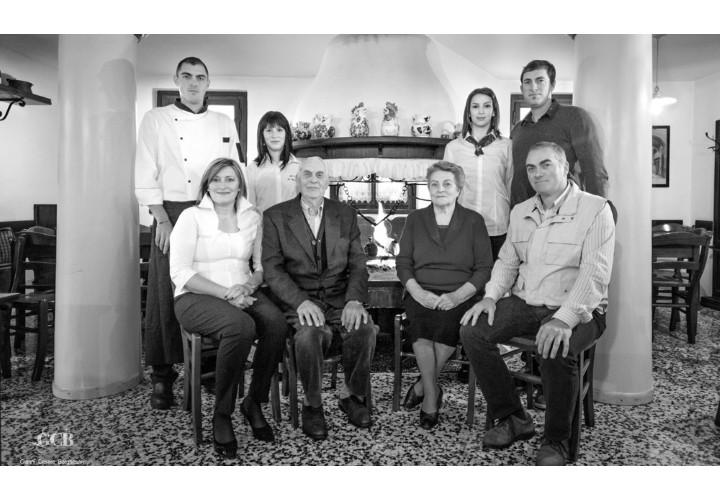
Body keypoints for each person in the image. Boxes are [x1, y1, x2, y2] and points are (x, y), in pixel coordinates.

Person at [459, 142, 615, 466]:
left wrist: (564, 319)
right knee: (473, 330)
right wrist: (490, 296)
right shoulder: (520, 211)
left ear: (565, 168)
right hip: (528, 301)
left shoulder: (596, 209)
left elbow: (594, 274)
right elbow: (507, 261)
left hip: (582, 309)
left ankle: (557, 441)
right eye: (531, 168)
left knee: (556, 346)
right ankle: (514, 417)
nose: (537, 173)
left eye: (545, 165)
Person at [135, 56, 244, 410]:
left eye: (200, 77)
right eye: (187, 76)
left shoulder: (223, 121)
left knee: (212, 284)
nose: (194, 83)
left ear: (208, 82)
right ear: (177, 80)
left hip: (212, 209)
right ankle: (163, 376)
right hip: (170, 212)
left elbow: (233, 171)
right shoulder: (155, 119)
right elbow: (145, 171)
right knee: (164, 294)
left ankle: (208, 369)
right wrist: (162, 219)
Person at [170, 158, 286, 458]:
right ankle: (222, 414)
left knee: (276, 323)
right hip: (195, 296)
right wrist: (226, 294)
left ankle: (253, 401)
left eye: (230, 179)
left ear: (239, 185)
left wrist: (246, 287)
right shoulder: (191, 217)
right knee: (241, 326)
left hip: (242, 291)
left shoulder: (252, 218)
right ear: (207, 185)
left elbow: (259, 268)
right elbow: (180, 272)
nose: (223, 185)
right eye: (216, 179)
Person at [262, 156, 376, 441]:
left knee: (364, 328)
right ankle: (312, 405)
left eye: (319, 175)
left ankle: (353, 397)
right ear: (298, 179)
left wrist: (354, 300)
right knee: (310, 334)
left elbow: (358, 264)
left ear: (328, 181)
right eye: (307, 174)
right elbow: (272, 269)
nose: (313, 180)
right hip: (299, 300)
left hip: (340, 297)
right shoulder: (276, 216)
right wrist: (300, 301)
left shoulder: (345, 214)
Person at [396, 161, 493, 429]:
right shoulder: (415, 219)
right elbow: (403, 263)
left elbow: (484, 268)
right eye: (434, 184)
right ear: (428, 188)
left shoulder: (474, 221)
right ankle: (432, 393)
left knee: (447, 326)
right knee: (420, 327)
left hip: (461, 294)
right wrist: (417, 292)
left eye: (447, 184)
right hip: (420, 292)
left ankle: (423, 389)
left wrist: (458, 297)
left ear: (458, 189)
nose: (440, 189)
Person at [510, 59, 608, 208]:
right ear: (522, 88)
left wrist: (598, 212)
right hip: (523, 215)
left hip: (566, 213)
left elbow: (594, 172)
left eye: (540, 80)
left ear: (552, 85)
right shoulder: (517, 130)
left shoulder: (574, 117)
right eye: (527, 82)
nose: (533, 87)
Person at [443, 87, 513, 260]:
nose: (481, 111)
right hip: (464, 228)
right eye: (475, 106)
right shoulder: (453, 148)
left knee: (497, 275)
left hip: (498, 227)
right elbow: (447, 191)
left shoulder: (507, 146)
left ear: (494, 111)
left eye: (487, 106)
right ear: (468, 112)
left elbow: (510, 184)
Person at [246, 111, 301, 213]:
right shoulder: (252, 170)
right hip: (263, 223)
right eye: (269, 130)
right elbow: (250, 208)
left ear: (287, 135)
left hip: (293, 223)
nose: (274, 135)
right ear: (262, 136)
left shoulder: (299, 168)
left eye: (279, 130)